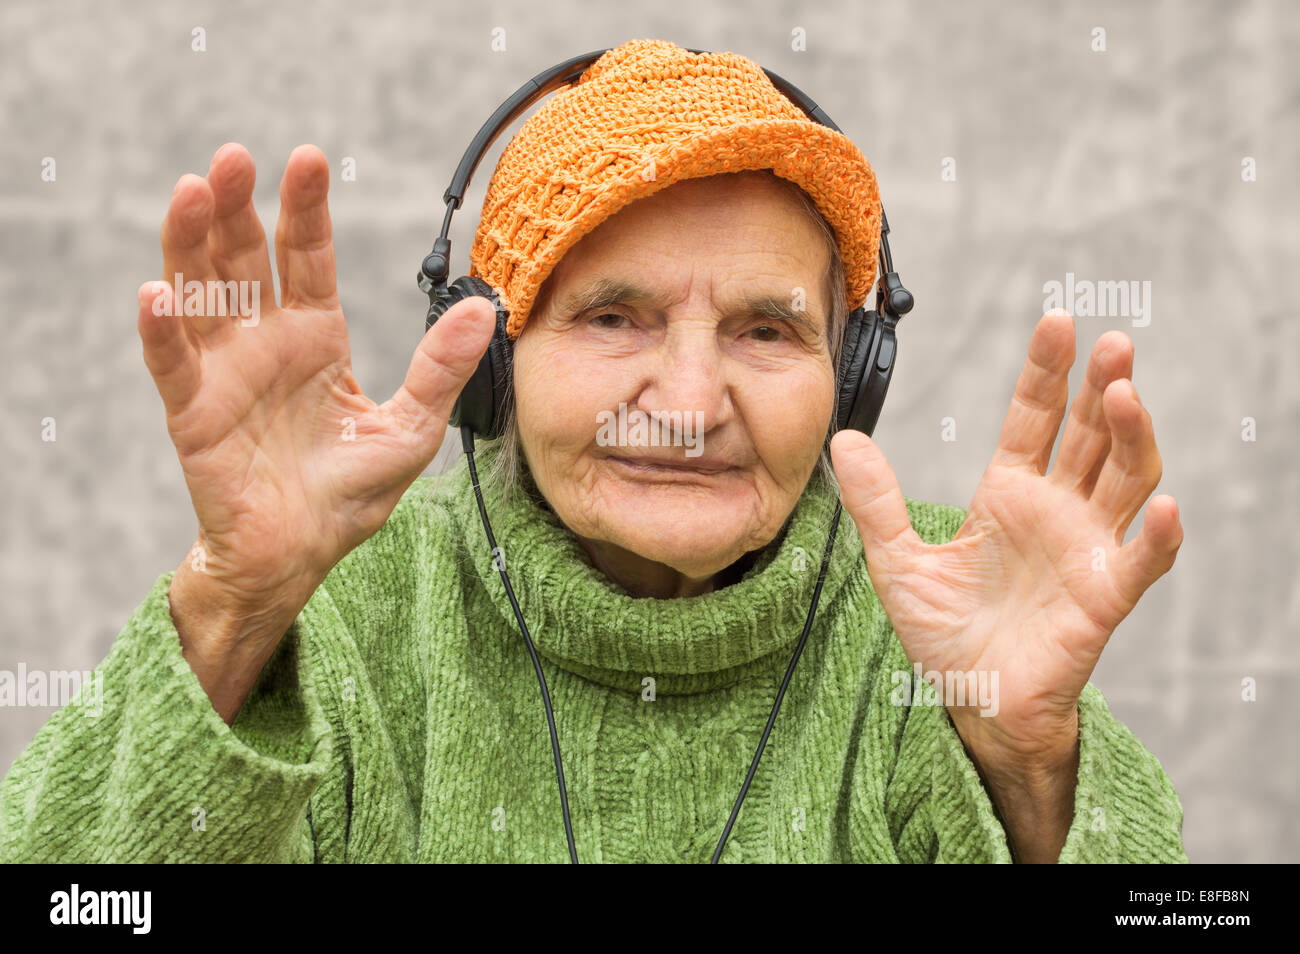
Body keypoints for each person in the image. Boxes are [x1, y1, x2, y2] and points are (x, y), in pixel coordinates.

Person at [0, 39, 1187, 863]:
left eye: (765, 329)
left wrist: (1028, 768)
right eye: (611, 317)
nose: (685, 399)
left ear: (853, 377)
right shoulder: (340, 610)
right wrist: (230, 610)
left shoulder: (953, 612)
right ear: (492, 367)